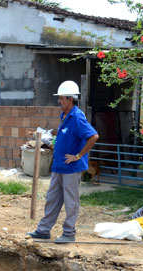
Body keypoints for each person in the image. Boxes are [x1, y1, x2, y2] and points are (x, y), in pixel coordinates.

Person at [27, 81, 99, 243]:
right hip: (59, 166)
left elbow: (93, 136)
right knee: (52, 198)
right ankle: (44, 230)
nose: (59, 102)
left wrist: (79, 155)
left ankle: (69, 233)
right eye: (59, 99)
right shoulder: (64, 115)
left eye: (61, 99)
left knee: (70, 201)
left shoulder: (77, 116)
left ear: (70, 99)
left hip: (71, 168)